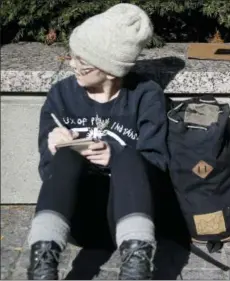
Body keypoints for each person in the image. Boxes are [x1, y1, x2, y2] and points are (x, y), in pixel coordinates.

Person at [26, 3, 168, 280]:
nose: (72, 64)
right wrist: (53, 148)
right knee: (68, 154)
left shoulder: (145, 96)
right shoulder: (62, 95)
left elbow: (158, 166)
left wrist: (115, 156)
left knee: (128, 154)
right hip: (75, 218)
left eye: (82, 60)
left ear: (110, 69)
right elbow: (47, 173)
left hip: (131, 217)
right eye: (74, 56)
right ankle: (42, 267)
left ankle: (137, 269)